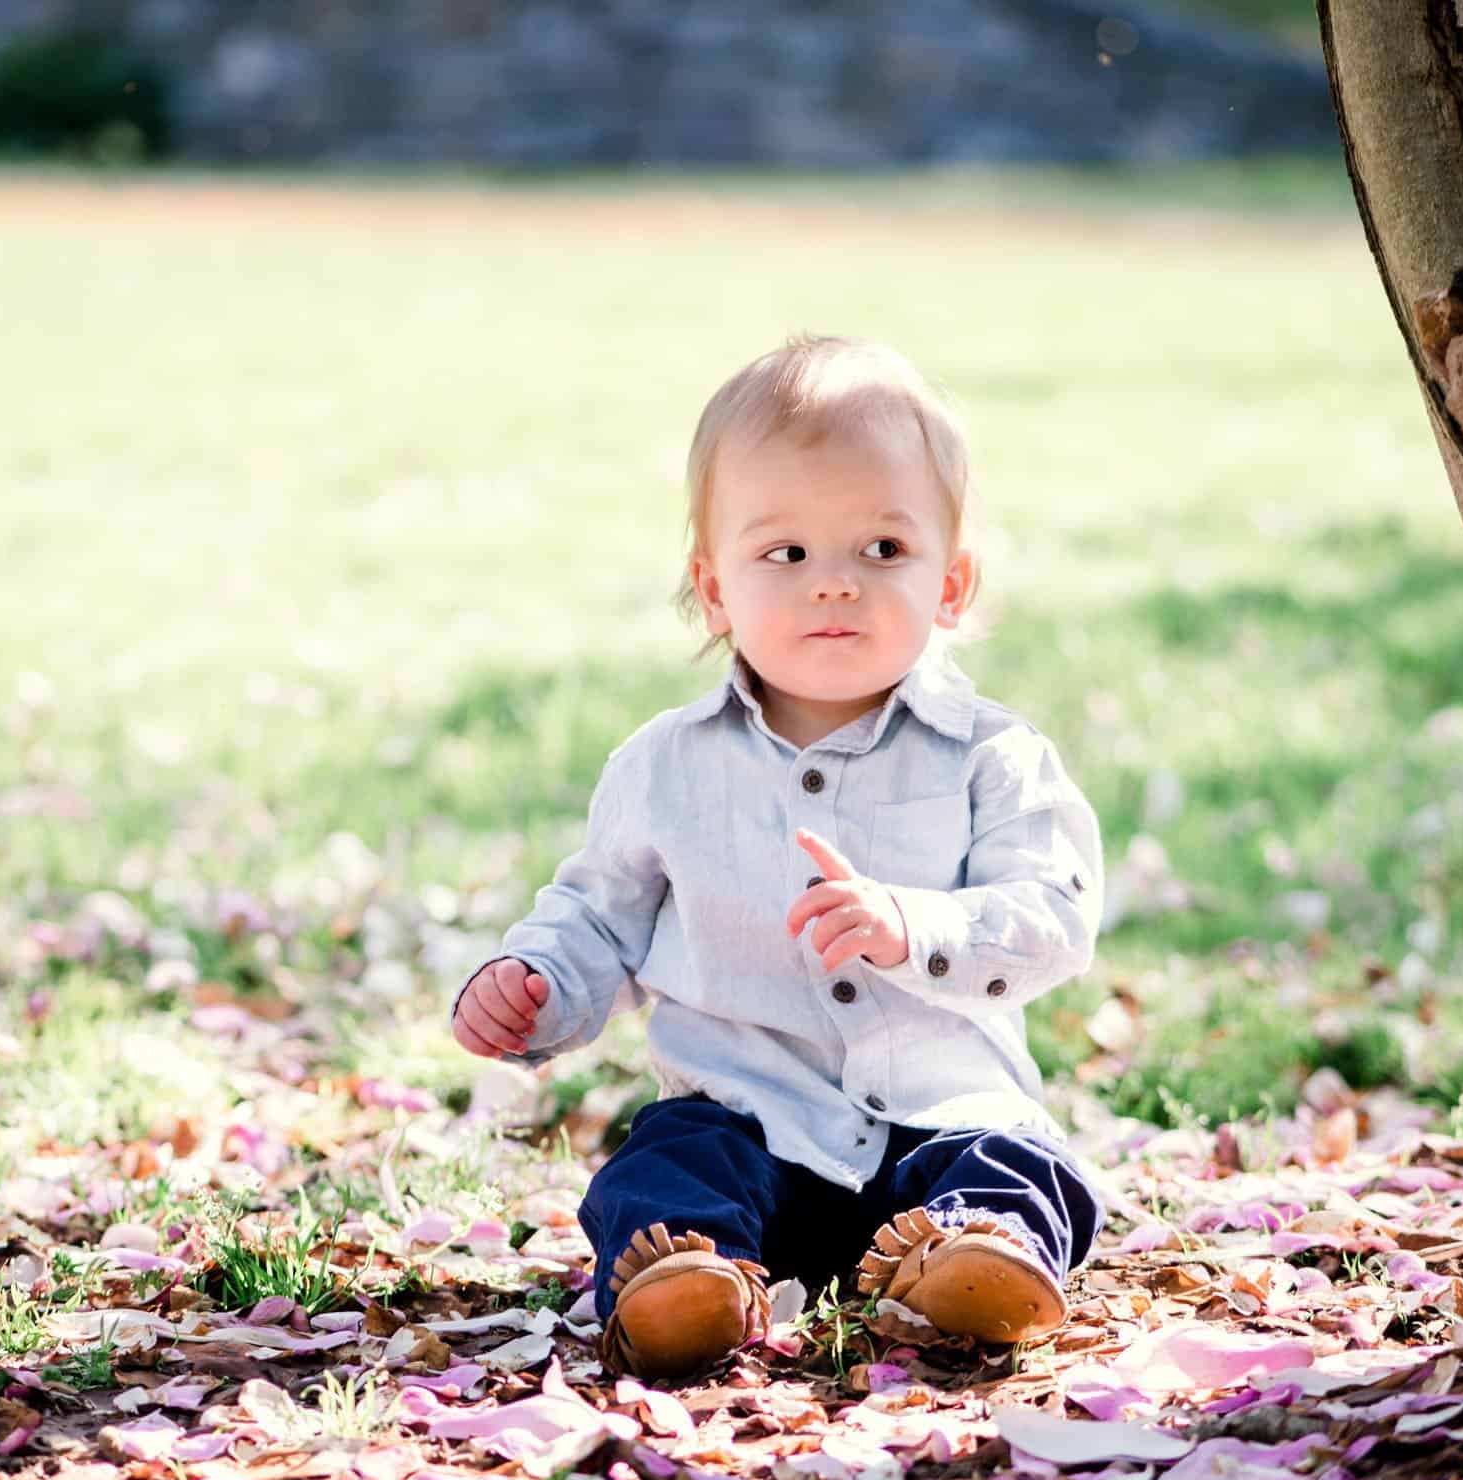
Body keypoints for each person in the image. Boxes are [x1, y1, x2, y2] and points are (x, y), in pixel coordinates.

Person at [447, 334, 1106, 1383]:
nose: (833, 585)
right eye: (785, 554)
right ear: (714, 589)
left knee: (1018, 1165)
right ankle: (693, 1284)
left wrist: (918, 927)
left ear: (952, 579)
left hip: (937, 1115)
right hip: (747, 1118)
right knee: (659, 1168)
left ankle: (974, 1263)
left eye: (882, 550)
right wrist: (538, 985)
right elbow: (599, 917)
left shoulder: (995, 757)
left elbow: (1055, 915)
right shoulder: (666, 766)